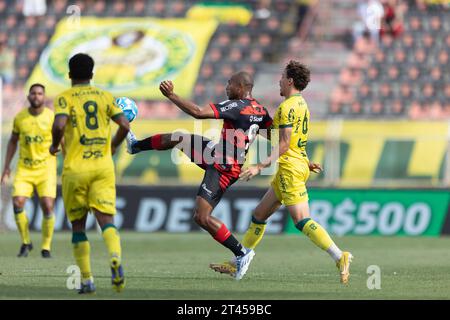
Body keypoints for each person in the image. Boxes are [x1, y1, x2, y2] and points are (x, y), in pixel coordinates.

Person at [210, 61, 353, 284]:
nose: (279, 80)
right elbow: (295, 140)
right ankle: (239, 259)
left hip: (289, 169)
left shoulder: (286, 108)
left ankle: (339, 255)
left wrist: (260, 166)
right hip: (298, 165)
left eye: (282, 77)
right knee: (259, 215)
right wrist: (307, 161)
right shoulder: (301, 104)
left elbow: (284, 143)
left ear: (290, 81)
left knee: (300, 220)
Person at [126, 72, 272, 280]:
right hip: (218, 155)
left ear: (241, 87)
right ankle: (135, 146)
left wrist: (171, 95)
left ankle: (242, 253)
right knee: (179, 138)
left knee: (201, 217)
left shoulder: (237, 106)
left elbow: (198, 112)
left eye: (229, 83)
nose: (226, 87)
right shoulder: (261, 110)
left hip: (223, 166)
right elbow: (273, 134)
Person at [50, 53, 130, 294]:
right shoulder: (105, 96)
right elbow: (125, 125)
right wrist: (114, 145)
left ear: (69, 75)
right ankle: (115, 256)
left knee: (78, 226)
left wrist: (55, 145)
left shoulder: (65, 97)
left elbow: (60, 125)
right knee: (106, 220)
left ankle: (86, 280)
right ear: (92, 74)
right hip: (103, 167)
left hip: (75, 168)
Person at [1, 84, 56, 258]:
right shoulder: (20, 118)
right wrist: (7, 166)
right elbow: (12, 141)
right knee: (17, 202)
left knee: (47, 206)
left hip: (46, 168)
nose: (36, 96)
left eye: (40, 93)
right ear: (28, 96)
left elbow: (61, 139)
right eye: (33, 93)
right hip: (25, 168)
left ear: (44, 97)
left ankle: (46, 247)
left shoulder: (51, 117)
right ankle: (26, 242)